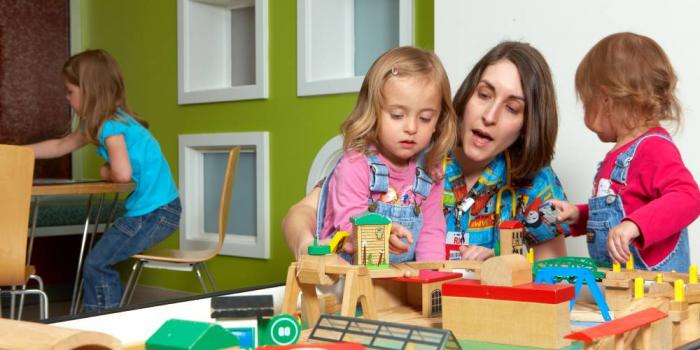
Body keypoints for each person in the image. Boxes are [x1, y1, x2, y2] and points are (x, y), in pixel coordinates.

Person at [283, 42, 570, 262]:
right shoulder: (411, 151)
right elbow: (302, 214)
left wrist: (502, 265)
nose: (490, 115)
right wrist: (310, 249)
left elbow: (554, 277)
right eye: (484, 95)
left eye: (512, 108)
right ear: (468, 94)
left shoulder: (537, 183)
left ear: (528, 124)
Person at [27, 49, 181, 311]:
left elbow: (121, 174)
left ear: (89, 91)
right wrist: (17, 153)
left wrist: (105, 172)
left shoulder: (110, 125)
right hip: (157, 210)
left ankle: (103, 321)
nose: (67, 98)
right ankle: (105, 317)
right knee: (98, 262)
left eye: (70, 91)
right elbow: (60, 145)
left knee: (97, 263)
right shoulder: (102, 123)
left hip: (154, 212)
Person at [552, 32, 700, 271]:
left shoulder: (653, 147)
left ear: (606, 99)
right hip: (624, 284)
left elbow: (688, 197)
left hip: (655, 284)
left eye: (586, 101)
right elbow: (621, 207)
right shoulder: (620, 155)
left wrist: (635, 226)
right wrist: (579, 216)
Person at [315, 46, 457, 263]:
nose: (411, 127)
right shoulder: (356, 164)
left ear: (439, 120)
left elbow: (431, 231)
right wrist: (381, 233)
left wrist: (431, 276)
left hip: (397, 280)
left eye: (425, 118)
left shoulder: (430, 171)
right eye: (397, 115)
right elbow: (347, 223)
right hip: (349, 277)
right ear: (373, 112)